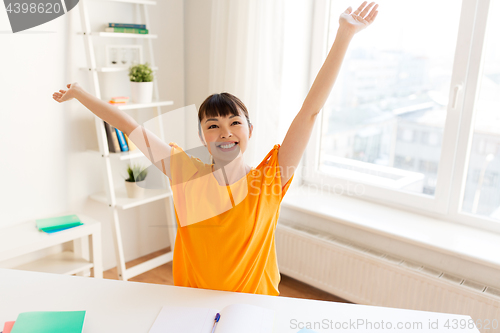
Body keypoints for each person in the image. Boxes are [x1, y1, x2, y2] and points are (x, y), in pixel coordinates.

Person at [53, 2, 378, 296]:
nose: (226, 133)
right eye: (213, 126)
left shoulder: (270, 180)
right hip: (193, 306)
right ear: (203, 136)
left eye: (235, 123)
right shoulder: (184, 173)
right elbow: (128, 126)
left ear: (250, 130)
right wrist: (81, 93)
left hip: (255, 308)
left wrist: (344, 35)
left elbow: (309, 113)